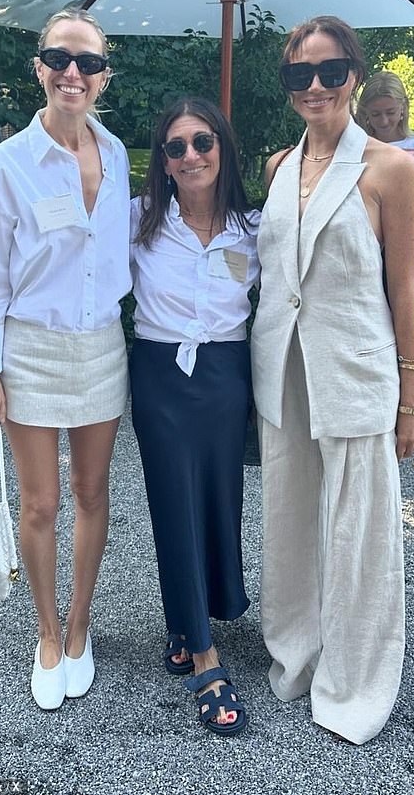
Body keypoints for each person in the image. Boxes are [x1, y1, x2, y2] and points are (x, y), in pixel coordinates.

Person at [0, 9, 131, 711]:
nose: (72, 72)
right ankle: (47, 634)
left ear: (104, 73)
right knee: (42, 502)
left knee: (91, 494)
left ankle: (81, 626)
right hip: (30, 351)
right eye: (59, 58)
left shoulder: (116, 156)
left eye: (86, 61)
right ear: (40, 68)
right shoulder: (6, 164)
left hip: (102, 348)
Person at [250, 16, 414, 744]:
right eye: (301, 74)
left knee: (359, 536)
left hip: (355, 370)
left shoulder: (390, 169)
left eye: (330, 71)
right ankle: (296, 652)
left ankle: (355, 680)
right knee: (289, 521)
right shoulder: (273, 166)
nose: (316, 86)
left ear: (354, 73)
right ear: (289, 84)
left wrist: (411, 397)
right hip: (283, 368)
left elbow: (405, 290)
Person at [129, 96, 260, 736]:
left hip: (227, 377)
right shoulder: (138, 222)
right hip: (160, 376)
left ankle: (188, 619)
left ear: (223, 148)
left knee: (218, 498)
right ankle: (205, 655)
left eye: (202, 142)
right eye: (175, 146)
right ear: (163, 158)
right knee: (172, 502)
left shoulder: (254, 227)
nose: (190, 156)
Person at [356, 71, 414, 221]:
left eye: (390, 112)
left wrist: (391, 206)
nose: (384, 121)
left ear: (403, 107)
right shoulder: (356, 146)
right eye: (376, 114)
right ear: (365, 112)